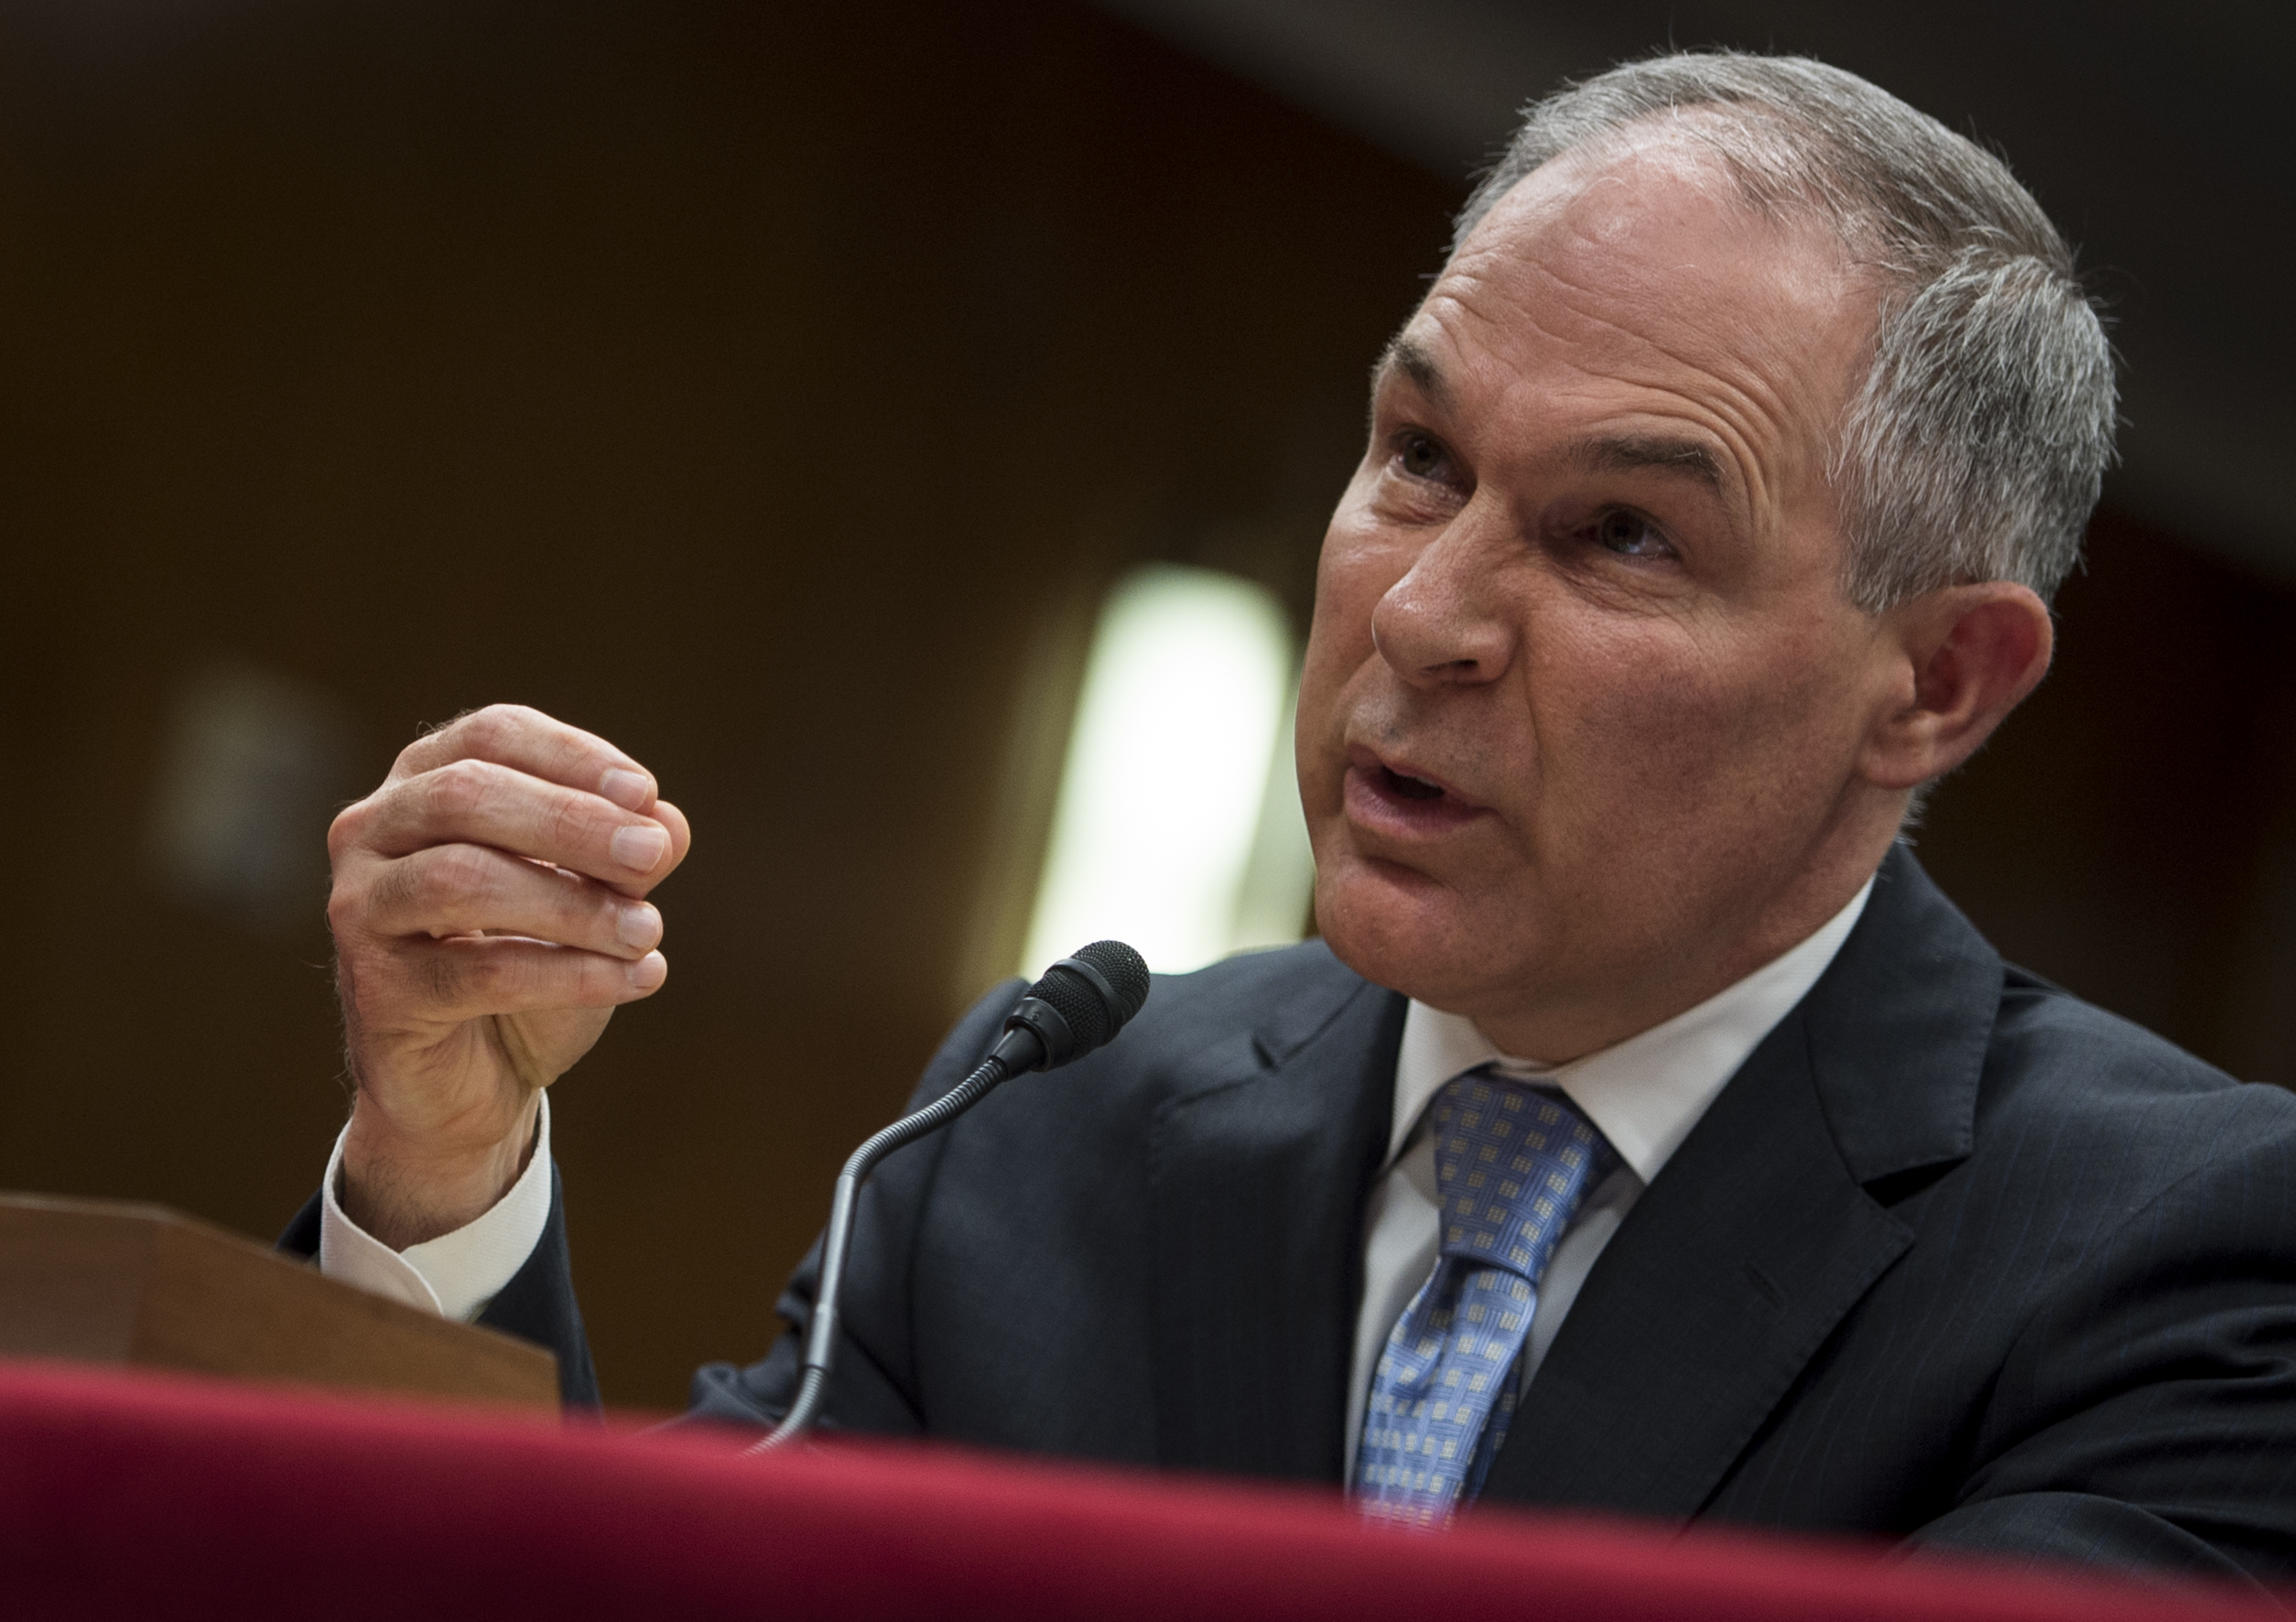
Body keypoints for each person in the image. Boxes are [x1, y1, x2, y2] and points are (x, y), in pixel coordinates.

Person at [285, 52, 2296, 1582]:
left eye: (1621, 534)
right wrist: (448, 1177)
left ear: (1935, 682)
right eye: (1417, 456)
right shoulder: (1039, 1120)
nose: (1419, 614)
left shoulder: (2176, 1258)